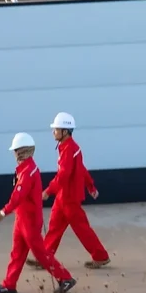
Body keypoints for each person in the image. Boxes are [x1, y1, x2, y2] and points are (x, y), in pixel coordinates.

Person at [0, 133, 73, 293]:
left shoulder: (28, 172)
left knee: (41, 253)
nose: (14, 154)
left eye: (16, 150)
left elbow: (18, 196)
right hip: (22, 219)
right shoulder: (25, 169)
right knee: (17, 253)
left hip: (29, 221)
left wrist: (4, 211)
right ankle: (9, 284)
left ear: (22, 151)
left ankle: (65, 278)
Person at [43, 112, 110, 269]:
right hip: (63, 196)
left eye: (56, 129)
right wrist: (90, 186)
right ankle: (44, 256)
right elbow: (82, 169)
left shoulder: (69, 149)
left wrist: (48, 190)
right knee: (54, 227)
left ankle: (100, 256)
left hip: (69, 197)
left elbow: (63, 175)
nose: (53, 132)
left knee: (81, 228)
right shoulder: (69, 147)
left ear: (65, 131)